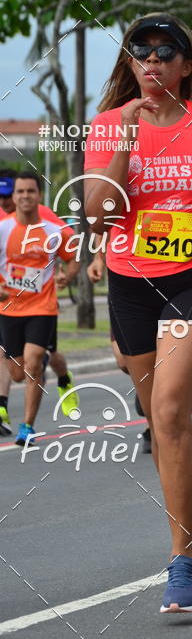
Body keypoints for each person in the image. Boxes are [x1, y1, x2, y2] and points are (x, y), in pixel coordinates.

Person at [84, 12, 192, 612]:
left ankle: (181, 556)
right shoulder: (105, 127)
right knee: (160, 417)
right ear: (129, 65)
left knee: (171, 407)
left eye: (164, 52)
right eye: (139, 53)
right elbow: (97, 214)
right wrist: (123, 141)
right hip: (131, 280)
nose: (151, 62)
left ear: (186, 65)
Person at [0, 170, 80, 445]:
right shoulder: (3, 229)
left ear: (39, 196)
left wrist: (66, 276)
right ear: (14, 196)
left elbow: (73, 258)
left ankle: (27, 427)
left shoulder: (52, 231)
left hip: (43, 307)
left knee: (33, 362)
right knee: (17, 373)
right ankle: (46, 368)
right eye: (20, 192)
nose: (25, 197)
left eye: (30, 192)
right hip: (9, 309)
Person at [87, 248, 152, 454]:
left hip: (167, 279)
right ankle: (147, 390)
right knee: (124, 361)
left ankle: (153, 423)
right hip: (126, 284)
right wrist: (98, 259)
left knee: (162, 356)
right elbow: (102, 228)